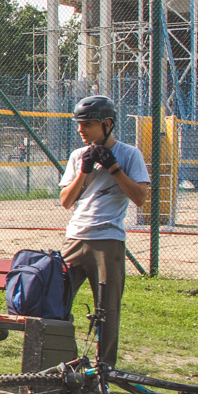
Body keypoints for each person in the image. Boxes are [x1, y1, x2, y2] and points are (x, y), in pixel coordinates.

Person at [58, 93, 149, 365]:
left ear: (107, 124)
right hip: (74, 238)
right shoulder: (77, 156)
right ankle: (62, 361)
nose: (80, 130)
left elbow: (141, 198)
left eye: (86, 124)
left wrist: (114, 168)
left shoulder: (130, 154)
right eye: (78, 123)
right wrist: (84, 171)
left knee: (107, 311)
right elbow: (66, 201)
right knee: (56, 304)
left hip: (107, 240)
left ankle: (104, 371)